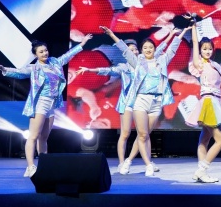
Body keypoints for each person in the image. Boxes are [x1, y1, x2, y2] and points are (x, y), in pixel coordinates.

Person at [77, 31, 180, 175]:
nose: (134, 51)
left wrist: (171, 34)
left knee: (145, 134)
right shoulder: (124, 67)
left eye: (136, 49)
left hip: (143, 101)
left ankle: (148, 162)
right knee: (125, 133)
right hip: (127, 102)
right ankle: (122, 163)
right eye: (131, 50)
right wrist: (90, 69)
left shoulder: (145, 63)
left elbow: (160, 48)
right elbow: (108, 70)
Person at [0, 35, 92, 177]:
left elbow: (68, 55)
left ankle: (44, 165)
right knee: (34, 136)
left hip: (51, 103)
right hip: (40, 103)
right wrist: (4, 69)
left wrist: (82, 43)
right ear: (35, 55)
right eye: (41, 52)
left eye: (45, 50)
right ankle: (30, 166)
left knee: (44, 137)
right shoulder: (34, 68)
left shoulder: (55, 62)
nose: (45, 53)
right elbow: (19, 72)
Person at [100, 24, 188, 177]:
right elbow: (125, 50)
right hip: (141, 100)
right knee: (142, 134)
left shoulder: (161, 61)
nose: (148, 49)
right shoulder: (138, 63)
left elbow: (172, 49)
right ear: (142, 50)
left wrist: (182, 32)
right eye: (145, 48)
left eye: (150, 47)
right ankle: (148, 165)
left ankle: (128, 161)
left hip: (156, 102)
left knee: (146, 135)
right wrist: (112, 35)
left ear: (154, 49)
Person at [185, 15, 221, 183]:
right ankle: (202, 170)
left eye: (209, 49)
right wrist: (194, 26)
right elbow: (194, 43)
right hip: (208, 103)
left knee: (205, 138)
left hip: (215, 101)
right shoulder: (200, 64)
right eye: (204, 49)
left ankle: (200, 171)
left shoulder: (214, 65)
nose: (207, 51)